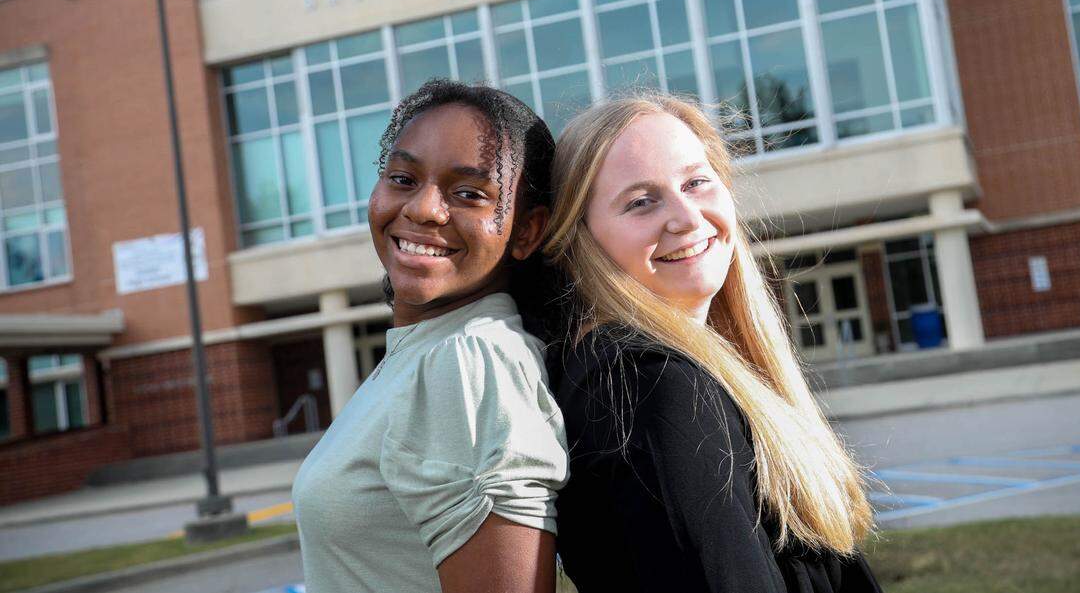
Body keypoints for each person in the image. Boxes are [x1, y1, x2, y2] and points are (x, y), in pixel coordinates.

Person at [542, 93, 881, 592]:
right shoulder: (649, 386)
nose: (686, 217)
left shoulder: (678, 370)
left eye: (696, 182)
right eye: (641, 201)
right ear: (581, 238)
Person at [292, 80, 569, 593]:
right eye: (402, 178)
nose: (423, 209)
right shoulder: (421, 350)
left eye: (469, 193)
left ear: (526, 231)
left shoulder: (469, 359)